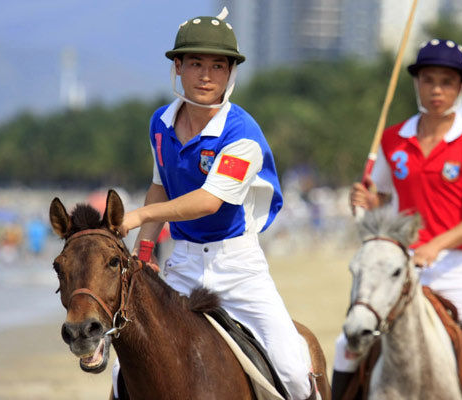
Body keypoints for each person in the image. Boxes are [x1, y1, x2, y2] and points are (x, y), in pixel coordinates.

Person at [115, 8, 314, 400]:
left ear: (230, 73)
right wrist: (145, 247)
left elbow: (209, 201)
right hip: (183, 265)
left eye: (218, 66)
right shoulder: (160, 124)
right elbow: (160, 186)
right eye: (195, 63)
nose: (206, 76)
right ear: (178, 68)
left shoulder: (243, 134)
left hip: (238, 269)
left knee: (293, 369)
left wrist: (138, 217)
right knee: (125, 370)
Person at [333, 39, 462, 400]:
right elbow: (380, 195)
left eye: (447, 82)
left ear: (461, 86)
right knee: (346, 345)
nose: (436, 90)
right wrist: (368, 200)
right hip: (401, 270)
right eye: (428, 79)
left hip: (458, 270)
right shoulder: (393, 139)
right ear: (416, 83)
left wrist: (437, 244)